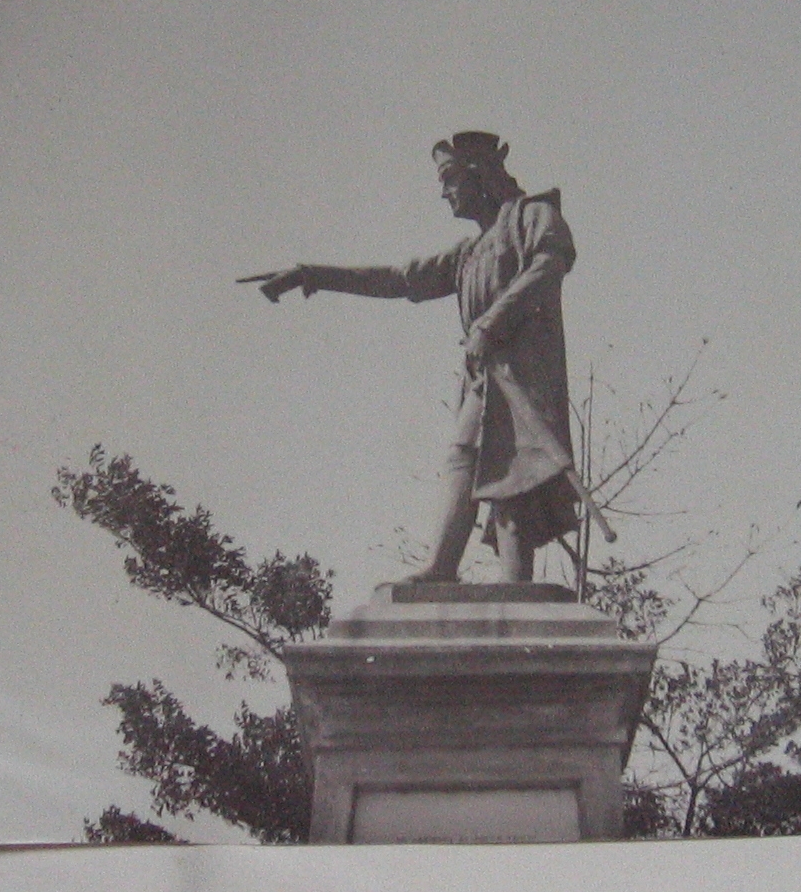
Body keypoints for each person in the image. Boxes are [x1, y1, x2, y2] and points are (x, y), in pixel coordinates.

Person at [247, 132, 578, 584]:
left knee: (516, 473)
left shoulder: (533, 215)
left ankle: (512, 582)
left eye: (449, 179)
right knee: (466, 454)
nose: (444, 193)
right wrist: (313, 275)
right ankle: (442, 567)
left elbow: (548, 265)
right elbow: (401, 279)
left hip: (525, 373)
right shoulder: (469, 252)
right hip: (484, 376)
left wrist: (492, 322)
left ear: (479, 174)